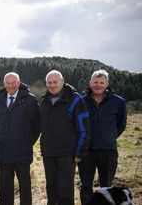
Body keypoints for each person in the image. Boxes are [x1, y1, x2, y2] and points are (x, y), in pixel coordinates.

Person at [40, 70, 90, 205]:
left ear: (62, 81)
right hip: (49, 153)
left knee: (65, 191)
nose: (52, 85)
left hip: (67, 154)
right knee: (51, 189)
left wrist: (80, 152)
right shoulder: (44, 101)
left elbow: (84, 129)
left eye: (55, 82)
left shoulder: (75, 100)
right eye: (49, 83)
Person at [78, 70, 127, 204]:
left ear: (107, 84)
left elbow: (121, 125)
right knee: (86, 186)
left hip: (108, 151)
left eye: (101, 82)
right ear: (90, 83)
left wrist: (108, 137)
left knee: (106, 186)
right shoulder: (81, 101)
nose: (98, 85)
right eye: (95, 82)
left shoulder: (119, 102)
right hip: (86, 151)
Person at [0, 72, 41, 205]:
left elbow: (37, 126)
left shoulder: (30, 100)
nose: (10, 86)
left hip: (22, 151)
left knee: (25, 186)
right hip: (3, 151)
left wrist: (26, 141)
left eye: (13, 83)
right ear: (4, 84)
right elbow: (0, 120)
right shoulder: (0, 98)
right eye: (7, 83)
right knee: (5, 186)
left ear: (19, 83)